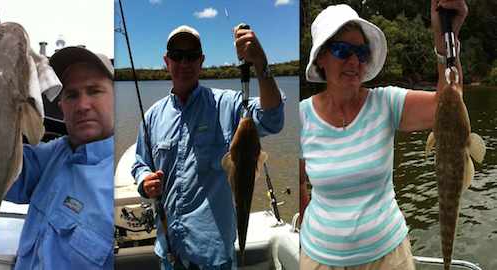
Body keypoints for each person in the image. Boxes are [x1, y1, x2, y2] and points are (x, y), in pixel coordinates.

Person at [299, 1, 467, 269]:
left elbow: (448, 104)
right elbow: (300, 186)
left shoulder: (387, 102)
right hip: (319, 259)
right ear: (321, 57)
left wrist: (446, 36)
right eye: (342, 50)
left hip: (390, 257)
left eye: (361, 52)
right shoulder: (301, 116)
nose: (354, 61)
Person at [132, 25, 284, 269]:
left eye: (192, 56)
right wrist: (145, 180)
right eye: (177, 56)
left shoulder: (229, 104)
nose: (184, 63)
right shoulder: (152, 117)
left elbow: (273, 119)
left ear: (201, 61)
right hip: (169, 254)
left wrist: (260, 64)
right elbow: (140, 162)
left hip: (214, 257)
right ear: (166, 61)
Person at [4, 46, 115, 270]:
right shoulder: (52, 155)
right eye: (72, 95)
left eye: (94, 91)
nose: (83, 106)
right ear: (61, 106)